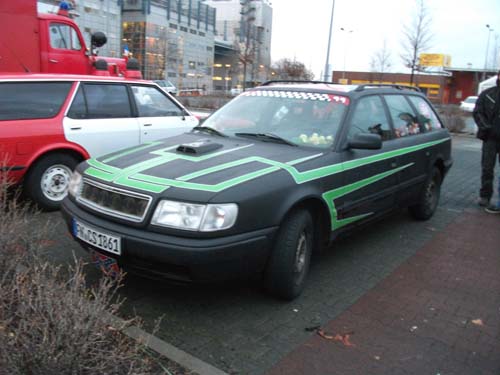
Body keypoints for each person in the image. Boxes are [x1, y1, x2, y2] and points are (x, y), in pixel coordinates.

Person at [473, 70, 500, 207]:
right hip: (490, 138)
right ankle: (485, 196)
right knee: (487, 168)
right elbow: (478, 112)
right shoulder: (488, 94)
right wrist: (486, 128)